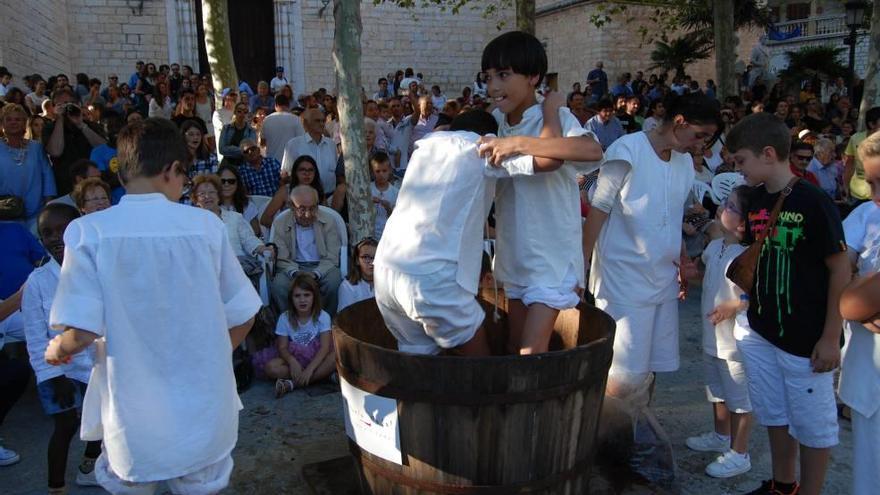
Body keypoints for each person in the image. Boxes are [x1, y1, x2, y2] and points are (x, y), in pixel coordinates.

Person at [43, 118, 261, 494]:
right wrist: (215, 352)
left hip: (133, 408)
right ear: (172, 171)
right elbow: (244, 310)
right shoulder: (206, 227)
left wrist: (58, 349)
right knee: (199, 484)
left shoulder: (89, 232)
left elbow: (82, 330)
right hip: (202, 401)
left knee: (133, 483)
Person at [725, 112, 849, 495]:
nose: (738, 169)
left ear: (767, 154)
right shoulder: (755, 199)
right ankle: (784, 485)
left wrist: (830, 336)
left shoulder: (813, 201)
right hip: (763, 328)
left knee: (813, 423)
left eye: (741, 161)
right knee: (775, 414)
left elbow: (840, 268)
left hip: (805, 336)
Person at [583, 92, 720, 400]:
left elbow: (677, 214)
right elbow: (599, 210)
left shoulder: (684, 162)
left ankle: (634, 432)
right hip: (624, 279)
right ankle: (609, 438)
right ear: (680, 122)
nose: (700, 145)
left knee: (651, 369)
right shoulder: (627, 149)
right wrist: (578, 270)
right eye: (700, 135)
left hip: (664, 280)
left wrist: (684, 260)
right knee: (622, 376)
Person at [477, 31, 603, 355]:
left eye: (504, 75)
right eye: (488, 77)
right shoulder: (495, 122)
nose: (493, 86)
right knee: (512, 347)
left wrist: (519, 143)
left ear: (534, 76)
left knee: (531, 355)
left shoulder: (557, 115)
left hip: (552, 258)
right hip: (516, 255)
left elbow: (590, 150)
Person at [23, 203, 102, 494]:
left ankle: (89, 467)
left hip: (95, 365)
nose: (55, 237)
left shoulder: (97, 268)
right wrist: (50, 376)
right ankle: (56, 486)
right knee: (65, 425)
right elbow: (34, 337)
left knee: (100, 418)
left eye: (62, 229)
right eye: (47, 233)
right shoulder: (37, 282)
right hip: (57, 370)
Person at [686, 185, 754, 479]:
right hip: (712, 335)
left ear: (743, 223)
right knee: (716, 391)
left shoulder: (750, 255)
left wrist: (736, 304)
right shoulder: (715, 247)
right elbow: (708, 278)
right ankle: (720, 436)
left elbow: (758, 293)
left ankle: (740, 453)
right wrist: (691, 276)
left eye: (731, 205)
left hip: (735, 341)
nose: (722, 206)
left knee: (740, 398)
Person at [254, 274, 336, 396]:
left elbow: (324, 347)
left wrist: (309, 369)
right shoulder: (284, 318)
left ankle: (292, 384)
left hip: (317, 358)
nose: (302, 300)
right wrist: (292, 362)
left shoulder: (323, 316)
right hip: (294, 357)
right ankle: (323, 376)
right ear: (291, 298)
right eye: (297, 296)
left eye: (307, 295)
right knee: (271, 368)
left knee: (336, 356)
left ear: (314, 297)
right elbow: (282, 347)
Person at [270, 185, 342, 314]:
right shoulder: (280, 223)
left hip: (323, 265)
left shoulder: (329, 220)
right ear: (291, 207)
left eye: (313, 208)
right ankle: (291, 322)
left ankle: (325, 320)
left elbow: (333, 255)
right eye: (302, 209)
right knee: (278, 285)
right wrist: (295, 272)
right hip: (293, 266)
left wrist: (316, 273)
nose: (308, 214)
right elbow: (281, 258)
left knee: (334, 282)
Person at [192, 174, 273, 281]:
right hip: (208, 271)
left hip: (236, 266)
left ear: (218, 195)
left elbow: (249, 239)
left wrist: (261, 248)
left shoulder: (235, 218)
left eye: (211, 192)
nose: (207, 196)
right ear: (196, 200)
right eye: (202, 194)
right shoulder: (192, 224)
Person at [1, 103, 57, 230]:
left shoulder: (36, 147)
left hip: (36, 214)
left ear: (25, 123)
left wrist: (48, 207)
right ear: (2, 124)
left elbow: (47, 176)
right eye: (8, 119)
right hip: (5, 216)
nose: (13, 122)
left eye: (17, 119)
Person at [43, 88, 106, 196]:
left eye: (71, 103)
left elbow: (104, 149)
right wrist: (60, 119)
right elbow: (55, 151)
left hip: (92, 184)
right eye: (62, 104)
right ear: (54, 108)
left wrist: (81, 124)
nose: (68, 107)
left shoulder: (90, 126)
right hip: (64, 186)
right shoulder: (50, 128)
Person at [281, 108, 338, 198]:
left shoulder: (331, 144)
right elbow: (286, 175)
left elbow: (336, 171)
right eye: (317, 121)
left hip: (331, 197)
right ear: (306, 123)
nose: (322, 124)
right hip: (304, 199)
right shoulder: (294, 144)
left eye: (323, 121)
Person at [844, 107, 880, 204]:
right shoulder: (855, 138)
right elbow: (850, 163)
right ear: (871, 124)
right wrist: (845, 186)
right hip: (858, 193)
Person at [261, 94, 304, 162]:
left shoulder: (266, 120)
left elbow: (262, 143)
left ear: (275, 105)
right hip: (290, 162)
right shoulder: (296, 120)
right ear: (289, 105)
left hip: (271, 162)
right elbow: (301, 142)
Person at [338, 237, 377, 313]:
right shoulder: (347, 286)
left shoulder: (387, 285)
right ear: (357, 260)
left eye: (375, 257)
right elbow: (344, 318)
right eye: (366, 257)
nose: (372, 262)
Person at [370, 151, 398, 240]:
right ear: (372, 172)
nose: (381, 174)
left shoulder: (395, 192)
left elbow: (396, 218)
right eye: (377, 171)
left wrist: (388, 208)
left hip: (388, 236)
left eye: (384, 171)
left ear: (389, 170)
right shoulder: (368, 189)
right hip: (370, 235)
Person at [219, 102, 256, 167]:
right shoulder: (226, 128)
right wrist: (242, 150)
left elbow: (251, 151)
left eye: (245, 112)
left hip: (245, 165)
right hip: (227, 164)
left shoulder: (251, 130)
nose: (242, 114)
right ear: (235, 112)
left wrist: (230, 149)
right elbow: (222, 149)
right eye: (239, 111)